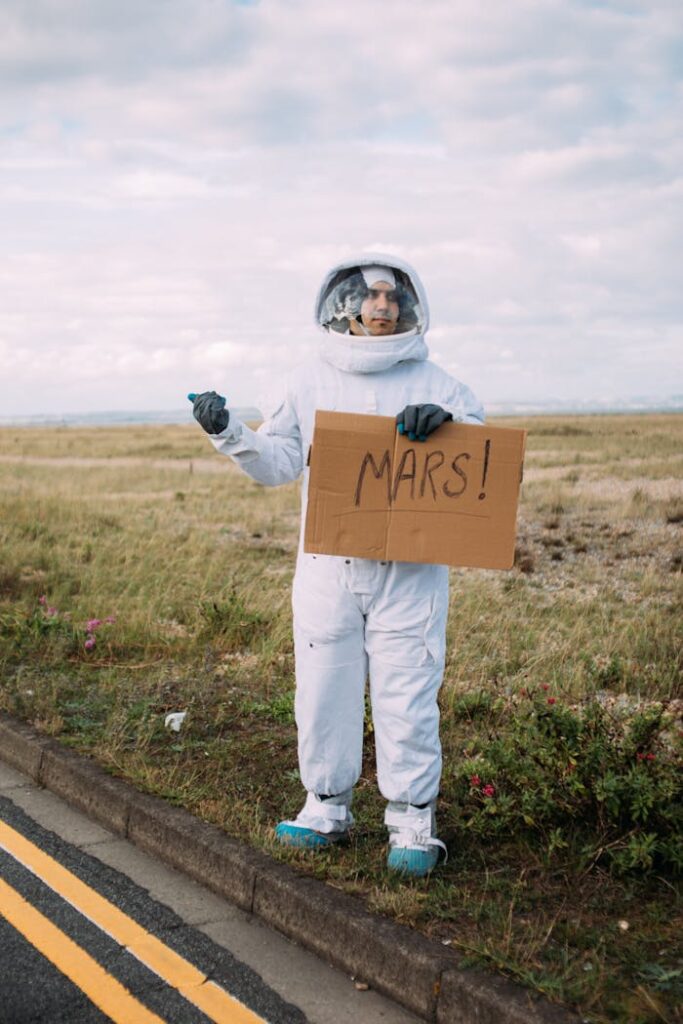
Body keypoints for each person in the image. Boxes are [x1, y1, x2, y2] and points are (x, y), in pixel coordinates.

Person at [190, 255, 484, 877]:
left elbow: (480, 453)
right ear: (343, 303)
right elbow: (277, 463)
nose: (384, 306)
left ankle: (413, 821)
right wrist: (228, 432)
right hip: (328, 565)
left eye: (393, 296)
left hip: (410, 570)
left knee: (409, 688)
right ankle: (325, 808)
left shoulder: (438, 381)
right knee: (325, 683)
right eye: (371, 295)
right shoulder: (306, 379)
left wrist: (449, 425)